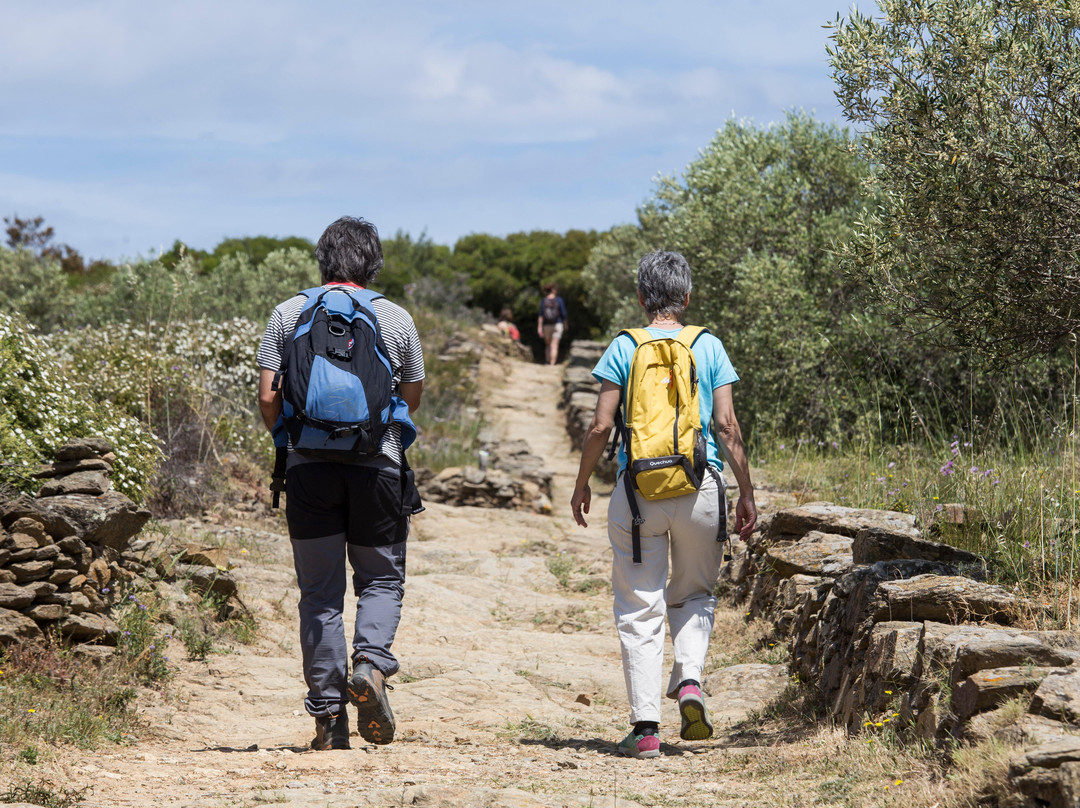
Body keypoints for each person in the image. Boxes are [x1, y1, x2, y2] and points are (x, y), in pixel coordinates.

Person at [569, 250, 757, 759]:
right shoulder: (709, 345)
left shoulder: (624, 347)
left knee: (639, 608)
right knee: (694, 593)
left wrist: (583, 482)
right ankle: (691, 681)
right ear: (688, 297)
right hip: (701, 488)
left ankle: (646, 729)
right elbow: (727, 426)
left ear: (641, 298)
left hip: (638, 495)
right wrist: (746, 491)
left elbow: (601, 426)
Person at [256, 216, 425, 750]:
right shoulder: (394, 317)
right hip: (378, 466)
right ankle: (370, 668)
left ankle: (329, 720)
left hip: (308, 469)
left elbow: (267, 396)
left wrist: (292, 438)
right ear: (372, 262)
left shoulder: (288, 312)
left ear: (322, 258)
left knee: (320, 594)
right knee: (379, 579)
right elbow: (412, 395)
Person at [536, 283, 568, 365]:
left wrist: (539, 327)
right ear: (553, 290)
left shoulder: (544, 300)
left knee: (548, 345)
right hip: (558, 324)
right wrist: (565, 324)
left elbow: (541, 315)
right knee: (555, 344)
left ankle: (547, 361)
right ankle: (552, 363)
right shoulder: (559, 300)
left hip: (546, 325)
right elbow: (563, 314)